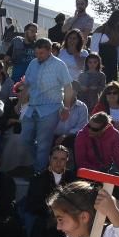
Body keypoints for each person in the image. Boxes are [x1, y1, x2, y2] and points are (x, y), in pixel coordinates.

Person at [20, 38, 75, 172]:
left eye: (42, 53)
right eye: (37, 53)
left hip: (51, 108)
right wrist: (20, 103)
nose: (38, 56)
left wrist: (66, 107)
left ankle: (39, 172)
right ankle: (42, 165)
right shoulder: (33, 63)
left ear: (50, 51)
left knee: (43, 144)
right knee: (24, 139)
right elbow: (27, 84)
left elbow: (68, 87)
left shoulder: (59, 65)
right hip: (32, 107)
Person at [24, 144, 76, 237]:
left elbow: (75, 202)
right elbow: (33, 203)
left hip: (66, 219)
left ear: (67, 161)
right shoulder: (38, 179)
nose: (58, 162)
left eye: (62, 159)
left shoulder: (73, 179)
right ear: (49, 158)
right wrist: (51, 213)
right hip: (44, 218)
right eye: (55, 158)